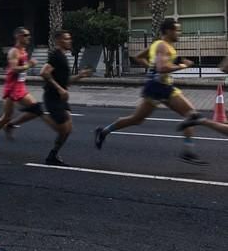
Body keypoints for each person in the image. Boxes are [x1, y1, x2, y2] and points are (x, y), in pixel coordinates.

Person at [95, 18, 206, 165]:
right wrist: (182, 66)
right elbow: (162, 68)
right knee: (139, 119)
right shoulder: (162, 46)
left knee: (190, 115)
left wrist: (151, 68)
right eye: (177, 30)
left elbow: (138, 57)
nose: (179, 33)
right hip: (157, 88)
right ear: (168, 31)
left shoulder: (157, 44)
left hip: (162, 86)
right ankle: (103, 131)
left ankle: (188, 151)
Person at [0, 27, 45, 152]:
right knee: (6, 117)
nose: (28, 37)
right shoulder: (14, 52)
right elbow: (14, 68)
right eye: (26, 35)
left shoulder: (23, 51)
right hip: (12, 88)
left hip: (20, 87)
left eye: (29, 35)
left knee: (37, 110)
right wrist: (29, 65)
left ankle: (10, 125)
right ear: (18, 36)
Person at [39, 30, 92, 166]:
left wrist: (80, 76)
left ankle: (53, 155)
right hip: (52, 97)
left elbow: (65, 81)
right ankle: (38, 113)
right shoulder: (56, 55)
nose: (70, 41)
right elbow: (44, 73)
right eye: (67, 39)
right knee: (64, 129)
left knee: (67, 129)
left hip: (61, 99)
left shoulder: (63, 56)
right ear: (59, 41)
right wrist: (59, 89)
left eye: (69, 38)